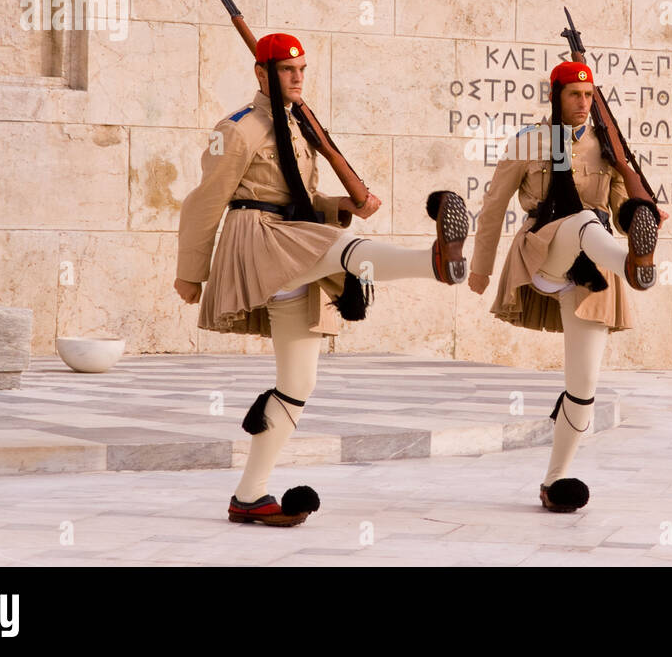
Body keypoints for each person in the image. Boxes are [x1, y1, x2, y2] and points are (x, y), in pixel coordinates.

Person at [174, 32, 470, 526]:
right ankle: (433, 262)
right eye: (288, 70)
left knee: (297, 383)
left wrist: (339, 205)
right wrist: (191, 272)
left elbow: (298, 194)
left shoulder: (300, 128)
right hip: (259, 238)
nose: (297, 78)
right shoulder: (235, 129)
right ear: (261, 73)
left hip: (295, 236)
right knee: (345, 253)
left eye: (303, 70)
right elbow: (205, 201)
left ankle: (249, 495)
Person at [468, 60, 665, 513]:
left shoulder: (605, 149)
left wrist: (642, 214)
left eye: (590, 95)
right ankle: (635, 267)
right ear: (556, 95)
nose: (583, 102)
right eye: (575, 95)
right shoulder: (531, 141)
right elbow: (494, 206)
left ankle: (555, 480)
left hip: (593, 267)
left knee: (584, 384)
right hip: (545, 251)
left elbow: (619, 210)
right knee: (580, 222)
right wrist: (479, 268)